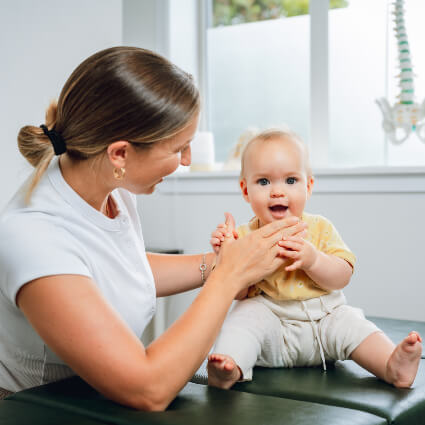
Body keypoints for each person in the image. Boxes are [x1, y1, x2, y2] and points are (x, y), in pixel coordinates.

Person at [0, 47, 309, 410]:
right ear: (120, 154)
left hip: (91, 398)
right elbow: (148, 389)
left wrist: (218, 262)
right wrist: (229, 276)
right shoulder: (33, 237)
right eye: (179, 148)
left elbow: (116, 268)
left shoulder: (101, 180)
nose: (187, 160)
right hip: (32, 409)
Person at [207, 128, 423, 390]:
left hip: (323, 319)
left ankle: (392, 365)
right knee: (241, 320)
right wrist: (226, 255)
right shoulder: (243, 236)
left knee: (353, 324)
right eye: (264, 182)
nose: (277, 191)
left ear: (308, 186)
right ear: (245, 190)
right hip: (271, 322)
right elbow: (239, 293)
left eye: (290, 180)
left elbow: (342, 276)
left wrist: (313, 260)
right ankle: (230, 368)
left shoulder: (320, 228)